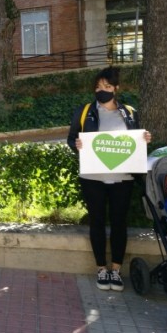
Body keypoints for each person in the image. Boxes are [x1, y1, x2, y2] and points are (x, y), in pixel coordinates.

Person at [67, 66, 151, 292]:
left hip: (122, 178)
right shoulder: (84, 112)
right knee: (96, 221)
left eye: (106, 86)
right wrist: (77, 145)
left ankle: (115, 269)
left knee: (119, 223)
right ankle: (101, 269)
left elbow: (136, 139)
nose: (101, 90)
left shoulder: (130, 112)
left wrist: (145, 138)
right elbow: (71, 139)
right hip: (92, 178)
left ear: (116, 88)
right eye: (98, 87)